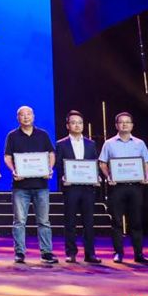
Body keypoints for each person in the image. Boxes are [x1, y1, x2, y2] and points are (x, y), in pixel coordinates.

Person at [3, 105, 58, 264]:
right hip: (20, 186)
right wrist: (14, 170)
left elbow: (51, 153)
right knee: (19, 221)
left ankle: (46, 252)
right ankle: (20, 253)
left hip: (41, 185)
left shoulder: (43, 135)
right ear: (18, 118)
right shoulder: (12, 136)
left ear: (33, 116)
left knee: (44, 221)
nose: (26, 117)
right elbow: (7, 157)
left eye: (29, 114)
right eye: (22, 115)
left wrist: (49, 168)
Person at [99, 111, 148, 264]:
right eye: (121, 122)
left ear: (132, 125)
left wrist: (146, 176)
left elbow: (146, 162)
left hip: (135, 187)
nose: (124, 124)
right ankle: (118, 253)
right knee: (116, 221)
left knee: (136, 221)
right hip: (117, 188)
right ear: (116, 125)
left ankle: (139, 254)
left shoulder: (139, 143)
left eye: (127, 122)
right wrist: (109, 176)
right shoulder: (109, 143)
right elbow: (102, 163)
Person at [54, 110, 102, 264]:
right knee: (70, 221)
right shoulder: (61, 144)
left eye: (80, 123)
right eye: (73, 122)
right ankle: (71, 253)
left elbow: (94, 163)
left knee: (89, 221)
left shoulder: (90, 143)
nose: (77, 125)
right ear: (67, 125)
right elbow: (58, 165)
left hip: (88, 187)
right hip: (71, 187)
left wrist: (96, 176)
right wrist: (63, 178)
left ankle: (90, 254)